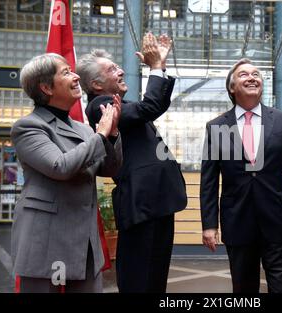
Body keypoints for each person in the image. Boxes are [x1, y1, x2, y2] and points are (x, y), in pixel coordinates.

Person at [76, 32, 187, 293]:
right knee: (139, 277)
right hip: (141, 203)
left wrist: (160, 66)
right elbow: (150, 107)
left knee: (156, 277)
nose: (121, 70)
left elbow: (152, 105)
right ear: (97, 84)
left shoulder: (121, 103)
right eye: (112, 69)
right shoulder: (99, 106)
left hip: (156, 201)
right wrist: (156, 68)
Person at [11, 53, 122, 293]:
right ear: (46, 87)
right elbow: (59, 167)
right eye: (66, 72)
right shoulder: (28, 127)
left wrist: (112, 136)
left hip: (84, 240)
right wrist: (100, 135)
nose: (76, 77)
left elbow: (109, 169)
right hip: (45, 239)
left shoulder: (82, 129)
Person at [200, 58, 282, 293]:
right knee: (243, 289)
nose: (252, 77)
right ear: (232, 87)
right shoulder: (218, 126)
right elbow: (209, 181)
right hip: (238, 221)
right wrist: (209, 225)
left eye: (256, 74)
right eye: (243, 75)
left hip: (279, 220)